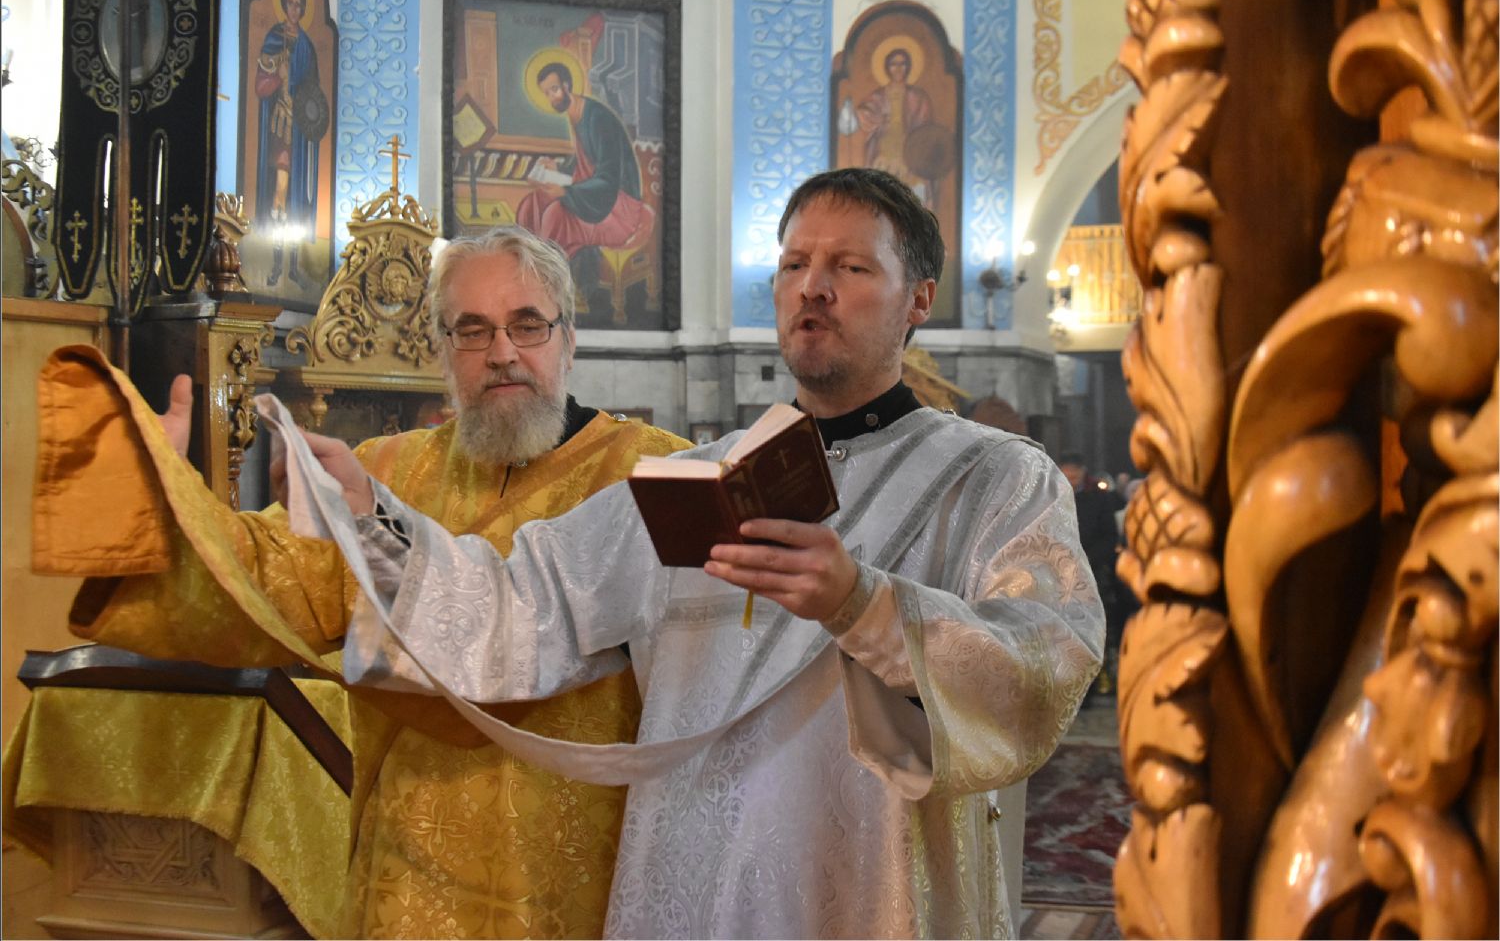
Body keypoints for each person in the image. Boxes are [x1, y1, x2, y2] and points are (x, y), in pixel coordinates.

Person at [299, 168, 1104, 937]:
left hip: (870, 888)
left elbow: (1050, 656)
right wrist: (372, 513)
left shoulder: (991, 476)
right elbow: (522, 608)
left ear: (919, 298)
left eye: (850, 266)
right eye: (794, 264)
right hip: (688, 882)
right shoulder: (695, 480)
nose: (813, 287)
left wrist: (862, 605)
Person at [30, 227, 691, 937]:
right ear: (441, 350)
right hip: (411, 876)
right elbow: (273, 575)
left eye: (527, 325)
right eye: (472, 331)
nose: (502, 352)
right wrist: (157, 502)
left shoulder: (658, 474)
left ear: (568, 339)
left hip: (588, 876)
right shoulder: (382, 471)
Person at [515, 62, 654, 261]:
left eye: (554, 89)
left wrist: (565, 192)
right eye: (547, 93)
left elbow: (607, 180)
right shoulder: (575, 112)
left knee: (555, 214)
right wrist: (557, 169)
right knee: (533, 204)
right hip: (593, 193)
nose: (552, 98)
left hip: (617, 206)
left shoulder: (598, 119)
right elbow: (586, 162)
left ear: (566, 85)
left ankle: (549, 271)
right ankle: (530, 264)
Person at [254, 0, 322, 287]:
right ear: (284, 4)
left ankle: (293, 266)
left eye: (299, 4)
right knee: (280, 189)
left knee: (296, 196)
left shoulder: (306, 45)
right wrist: (279, 79)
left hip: (300, 132)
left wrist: (307, 106)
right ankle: (275, 262)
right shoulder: (274, 38)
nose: (294, 9)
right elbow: (261, 83)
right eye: (290, 3)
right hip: (280, 127)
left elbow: (314, 92)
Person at [1058, 452, 1125, 694]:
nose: (1071, 481)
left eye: (1074, 476)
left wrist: (1084, 559)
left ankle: (1094, 684)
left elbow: (1109, 536)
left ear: (1082, 473)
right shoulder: (1053, 493)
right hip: (1058, 573)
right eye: (1067, 476)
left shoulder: (1098, 498)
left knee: (1091, 628)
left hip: (1092, 573)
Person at [858, 45, 935, 203]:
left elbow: (926, 130)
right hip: (884, 153)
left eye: (902, 64)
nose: (898, 69)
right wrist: (878, 119)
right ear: (887, 68)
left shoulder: (918, 97)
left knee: (914, 198)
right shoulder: (878, 96)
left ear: (908, 67)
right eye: (894, 64)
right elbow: (863, 114)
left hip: (910, 156)